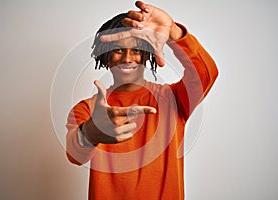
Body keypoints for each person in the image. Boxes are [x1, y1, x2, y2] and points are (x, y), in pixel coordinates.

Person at [66, 1, 218, 199]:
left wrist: (173, 32)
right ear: (106, 56)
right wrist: (91, 131)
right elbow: (74, 155)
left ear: (147, 55)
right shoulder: (88, 109)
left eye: (136, 50)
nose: (128, 58)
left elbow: (207, 73)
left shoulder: (171, 99)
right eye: (118, 50)